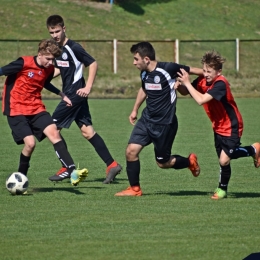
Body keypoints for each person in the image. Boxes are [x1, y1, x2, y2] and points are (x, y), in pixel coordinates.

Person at [115, 41, 203, 197]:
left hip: (165, 124)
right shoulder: (144, 73)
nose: (134, 62)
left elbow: (197, 71)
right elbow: (144, 88)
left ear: (146, 59)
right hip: (147, 120)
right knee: (131, 151)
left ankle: (189, 161)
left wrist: (214, 80)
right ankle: (135, 189)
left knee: (163, 163)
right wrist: (135, 109)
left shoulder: (169, 69)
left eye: (136, 59)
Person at [46, 14, 122, 184]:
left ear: (64, 29)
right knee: (88, 132)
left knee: (52, 129)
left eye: (57, 31)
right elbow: (61, 69)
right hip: (73, 95)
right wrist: (43, 78)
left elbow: (92, 63)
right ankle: (112, 165)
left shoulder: (74, 47)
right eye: (52, 32)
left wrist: (88, 87)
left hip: (74, 95)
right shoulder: (57, 49)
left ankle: (67, 167)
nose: (55, 35)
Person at [1, 39, 88, 187]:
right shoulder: (23, 63)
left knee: (54, 132)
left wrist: (61, 94)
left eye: (53, 59)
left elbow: (45, 82)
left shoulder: (48, 69)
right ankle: (21, 179)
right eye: (48, 59)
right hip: (16, 108)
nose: (50, 63)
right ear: (40, 54)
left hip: (36, 108)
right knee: (30, 144)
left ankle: (71, 170)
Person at [176, 50, 260, 200]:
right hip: (217, 126)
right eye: (204, 70)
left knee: (224, 160)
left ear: (219, 71)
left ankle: (222, 189)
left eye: (210, 71)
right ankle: (254, 149)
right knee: (228, 156)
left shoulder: (220, 83)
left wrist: (188, 83)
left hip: (231, 125)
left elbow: (201, 99)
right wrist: (179, 83)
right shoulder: (203, 80)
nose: (206, 74)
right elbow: (185, 91)